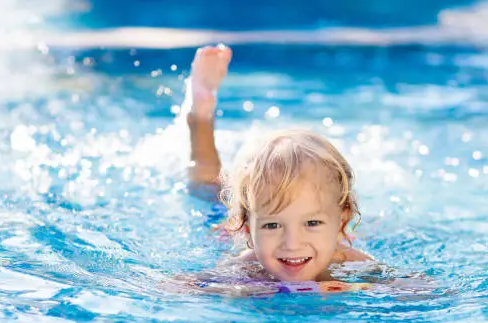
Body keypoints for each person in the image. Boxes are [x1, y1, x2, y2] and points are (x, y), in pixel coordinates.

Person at [169, 44, 412, 296]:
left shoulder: (351, 262)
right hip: (229, 224)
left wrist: (354, 287)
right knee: (208, 188)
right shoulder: (246, 266)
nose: (292, 244)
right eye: (272, 225)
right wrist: (239, 291)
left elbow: (423, 289)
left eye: (312, 222)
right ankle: (199, 117)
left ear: (342, 219)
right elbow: (173, 287)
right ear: (248, 229)